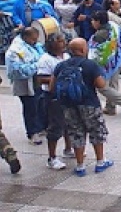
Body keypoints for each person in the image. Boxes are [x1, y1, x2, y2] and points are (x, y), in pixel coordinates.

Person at [50, 38, 112, 177]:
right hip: (89, 103)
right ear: (83, 50)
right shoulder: (90, 65)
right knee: (96, 131)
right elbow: (101, 85)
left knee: (76, 133)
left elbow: (52, 87)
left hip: (69, 105)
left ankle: (80, 166)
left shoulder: (61, 66)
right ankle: (100, 162)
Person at [36, 33, 75, 170]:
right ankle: (52, 158)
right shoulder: (45, 60)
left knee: (69, 123)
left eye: (64, 40)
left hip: (67, 95)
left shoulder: (67, 56)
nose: (63, 43)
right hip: (53, 97)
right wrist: (59, 78)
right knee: (55, 126)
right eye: (60, 41)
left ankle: (68, 149)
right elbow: (41, 79)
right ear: (52, 44)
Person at [88, 11, 121, 116]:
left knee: (101, 87)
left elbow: (95, 54)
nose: (91, 22)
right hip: (116, 59)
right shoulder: (114, 27)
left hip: (105, 63)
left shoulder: (99, 36)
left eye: (93, 20)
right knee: (113, 84)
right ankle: (110, 107)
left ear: (98, 22)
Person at [5, 27, 45, 144]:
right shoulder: (14, 51)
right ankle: (32, 133)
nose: (35, 41)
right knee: (30, 108)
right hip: (25, 84)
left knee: (40, 105)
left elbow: (42, 56)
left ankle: (41, 127)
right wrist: (39, 64)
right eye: (33, 39)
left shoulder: (35, 45)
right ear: (26, 37)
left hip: (38, 81)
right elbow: (20, 71)